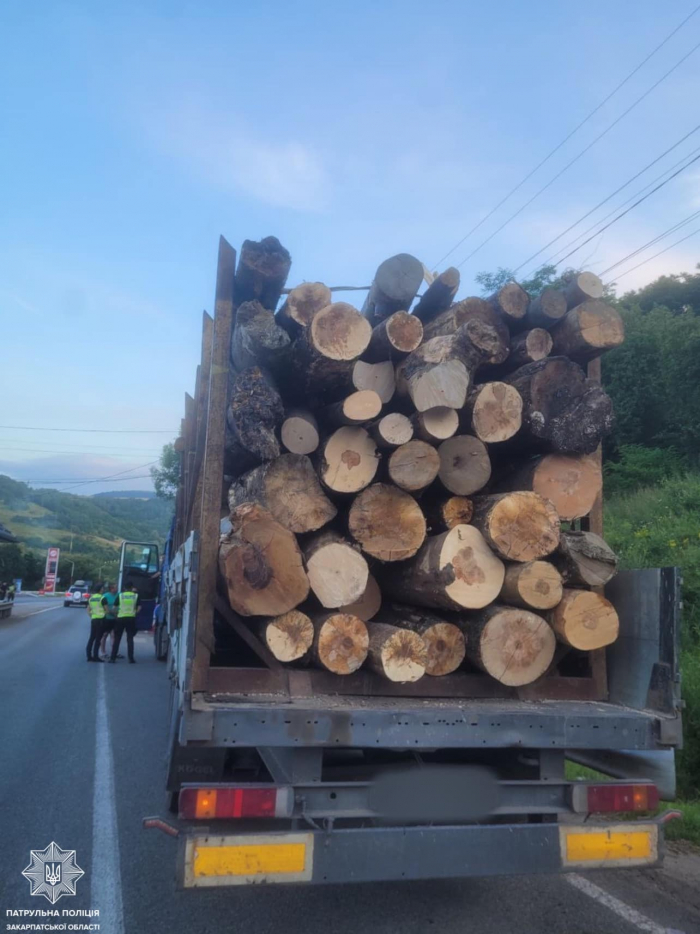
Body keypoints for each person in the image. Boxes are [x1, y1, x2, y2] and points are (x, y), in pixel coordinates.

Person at [110, 581, 140, 664]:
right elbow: (139, 607)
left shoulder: (120, 596)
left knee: (117, 638)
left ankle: (112, 658)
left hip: (120, 618)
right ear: (131, 588)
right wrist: (135, 613)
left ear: (124, 588)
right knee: (130, 638)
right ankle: (131, 658)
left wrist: (116, 615)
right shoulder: (135, 596)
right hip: (131, 618)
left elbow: (114, 608)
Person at [98, 583, 121, 660]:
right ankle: (103, 652)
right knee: (104, 635)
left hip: (116, 618)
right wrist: (112, 613)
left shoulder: (119, 595)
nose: (117, 589)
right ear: (111, 589)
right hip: (107, 618)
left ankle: (114, 652)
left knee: (114, 635)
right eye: (115, 588)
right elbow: (103, 607)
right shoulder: (105, 596)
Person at [86, 584, 107, 662]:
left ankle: (88, 656)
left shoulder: (91, 598)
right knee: (98, 639)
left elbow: (88, 609)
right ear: (100, 589)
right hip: (101, 620)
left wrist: (91, 616)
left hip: (94, 619)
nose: (103, 590)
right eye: (102, 588)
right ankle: (95, 656)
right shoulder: (102, 598)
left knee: (92, 638)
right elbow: (107, 610)